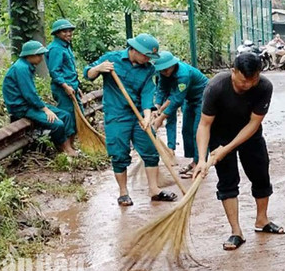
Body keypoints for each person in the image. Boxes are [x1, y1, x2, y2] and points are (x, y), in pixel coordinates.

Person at [194, 53, 285, 251]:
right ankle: (236, 232)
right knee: (227, 181)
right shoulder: (216, 87)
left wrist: (227, 149)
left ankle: (262, 220)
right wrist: (201, 159)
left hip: (249, 134)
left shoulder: (264, 87)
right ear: (233, 72)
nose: (248, 85)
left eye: (253, 80)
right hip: (220, 135)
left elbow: (254, 123)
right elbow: (204, 124)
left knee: (261, 175)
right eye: (244, 80)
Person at [84, 33, 177, 207]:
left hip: (138, 114)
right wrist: (98, 68)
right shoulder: (112, 59)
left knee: (150, 149)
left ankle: (154, 190)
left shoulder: (148, 69)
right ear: (134, 50)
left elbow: (148, 92)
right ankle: (123, 193)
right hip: (116, 115)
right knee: (118, 153)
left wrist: (147, 117)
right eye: (146, 55)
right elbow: (88, 74)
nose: (148, 59)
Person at [2, 41, 78, 157]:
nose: (41, 58)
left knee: (66, 116)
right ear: (30, 55)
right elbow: (29, 94)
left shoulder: (26, 66)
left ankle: (68, 146)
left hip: (30, 104)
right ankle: (63, 149)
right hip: (22, 107)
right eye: (39, 55)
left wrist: (43, 107)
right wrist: (45, 109)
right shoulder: (21, 68)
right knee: (57, 124)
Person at [151, 52, 208, 178]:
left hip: (203, 98)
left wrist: (161, 118)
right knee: (186, 130)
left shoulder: (183, 75)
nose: (164, 72)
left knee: (198, 131)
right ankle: (194, 161)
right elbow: (161, 89)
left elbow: (176, 99)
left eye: (166, 69)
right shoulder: (163, 74)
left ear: (173, 65)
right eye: (161, 70)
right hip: (189, 99)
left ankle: (199, 163)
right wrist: (157, 107)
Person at [45, 19, 82, 147]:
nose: (68, 33)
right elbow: (55, 71)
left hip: (72, 87)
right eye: (64, 31)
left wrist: (76, 86)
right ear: (57, 33)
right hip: (63, 89)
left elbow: (69, 70)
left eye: (70, 31)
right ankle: (65, 147)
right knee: (67, 116)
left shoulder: (66, 46)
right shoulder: (55, 49)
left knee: (77, 115)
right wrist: (65, 86)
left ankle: (72, 145)